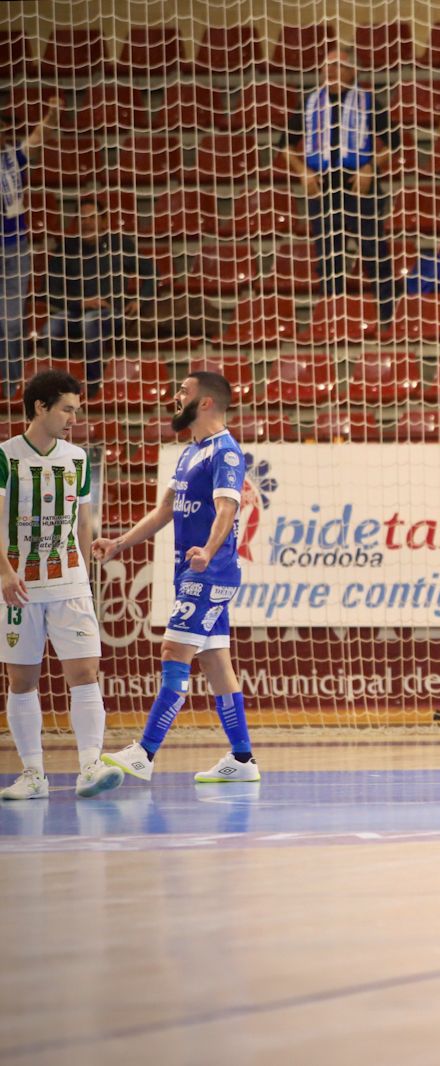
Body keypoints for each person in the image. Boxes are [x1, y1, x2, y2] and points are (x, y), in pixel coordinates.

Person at [95, 371, 256, 784]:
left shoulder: (226, 452)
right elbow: (164, 510)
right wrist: (120, 542)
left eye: (183, 391)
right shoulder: (190, 453)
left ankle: (144, 753)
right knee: (216, 660)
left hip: (208, 570)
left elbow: (227, 510)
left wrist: (209, 549)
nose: (175, 396)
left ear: (204, 403)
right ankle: (242, 761)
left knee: (172, 652)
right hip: (193, 569)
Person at [0, 370, 123, 800]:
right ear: (41, 407)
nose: (74, 418)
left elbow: (84, 521)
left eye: (76, 409)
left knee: (85, 673)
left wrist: (85, 577)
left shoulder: (77, 458)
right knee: (21, 680)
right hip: (19, 586)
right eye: (67, 409)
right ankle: (34, 774)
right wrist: (3, 571)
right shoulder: (5, 457)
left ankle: (90, 764)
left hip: (69, 581)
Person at [280, 49, 396, 325]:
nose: (329, 71)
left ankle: (388, 318)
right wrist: (303, 172)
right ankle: (334, 320)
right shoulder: (309, 103)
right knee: (328, 259)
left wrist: (371, 167)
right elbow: (284, 144)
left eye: (337, 65)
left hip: (360, 188)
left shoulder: (368, 102)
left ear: (352, 71)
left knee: (374, 254)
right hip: (322, 189)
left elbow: (395, 142)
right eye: (326, 65)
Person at [44, 198, 157, 394]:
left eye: (92, 217)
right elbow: (50, 291)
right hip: (74, 312)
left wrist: (140, 300)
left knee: (90, 322)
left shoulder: (119, 244)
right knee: (49, 329)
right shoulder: (66, 248)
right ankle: (63, 382)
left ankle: (93, 385)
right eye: (82, 218)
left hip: (111, 312)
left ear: (104, 221)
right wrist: (81, 303)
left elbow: (151, 273)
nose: (87, 223)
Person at [1, 97, 62, 396]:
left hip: (14, 250)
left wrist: (52, 114)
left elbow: (40, 137)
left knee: (11, 324)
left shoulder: (13, 157)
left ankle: (10, 388)